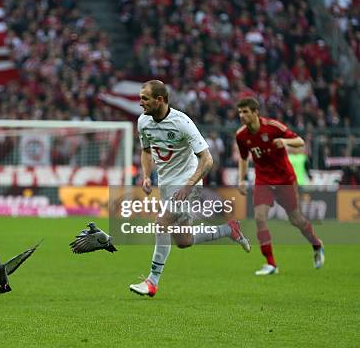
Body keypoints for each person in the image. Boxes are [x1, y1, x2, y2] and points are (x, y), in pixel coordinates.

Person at [129, 80, 250, 297]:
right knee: (184, 241)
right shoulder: (143, 122)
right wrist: (147, 176)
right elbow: (146, 151)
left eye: (145, 98)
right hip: (167, 185)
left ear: (160, 100)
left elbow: (207, 159)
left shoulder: (182, 123)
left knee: (162, 222)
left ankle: (152, 281)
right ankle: (229, 230)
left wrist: (188, 186)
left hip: (188, 183)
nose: (141, 103)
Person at [235, 97, 324, 276]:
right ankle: (271, 263)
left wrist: (285, 142)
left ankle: (316, 244)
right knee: (260, 218)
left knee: (296, 219)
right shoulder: (241, 135)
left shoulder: (273, 127)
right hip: (263, 180)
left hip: (284, 179)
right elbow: (244, 158)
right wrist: (242, 179)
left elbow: (300, 141)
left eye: (245, 112)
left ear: (255, 112)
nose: (242, 116)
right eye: (240, 112)